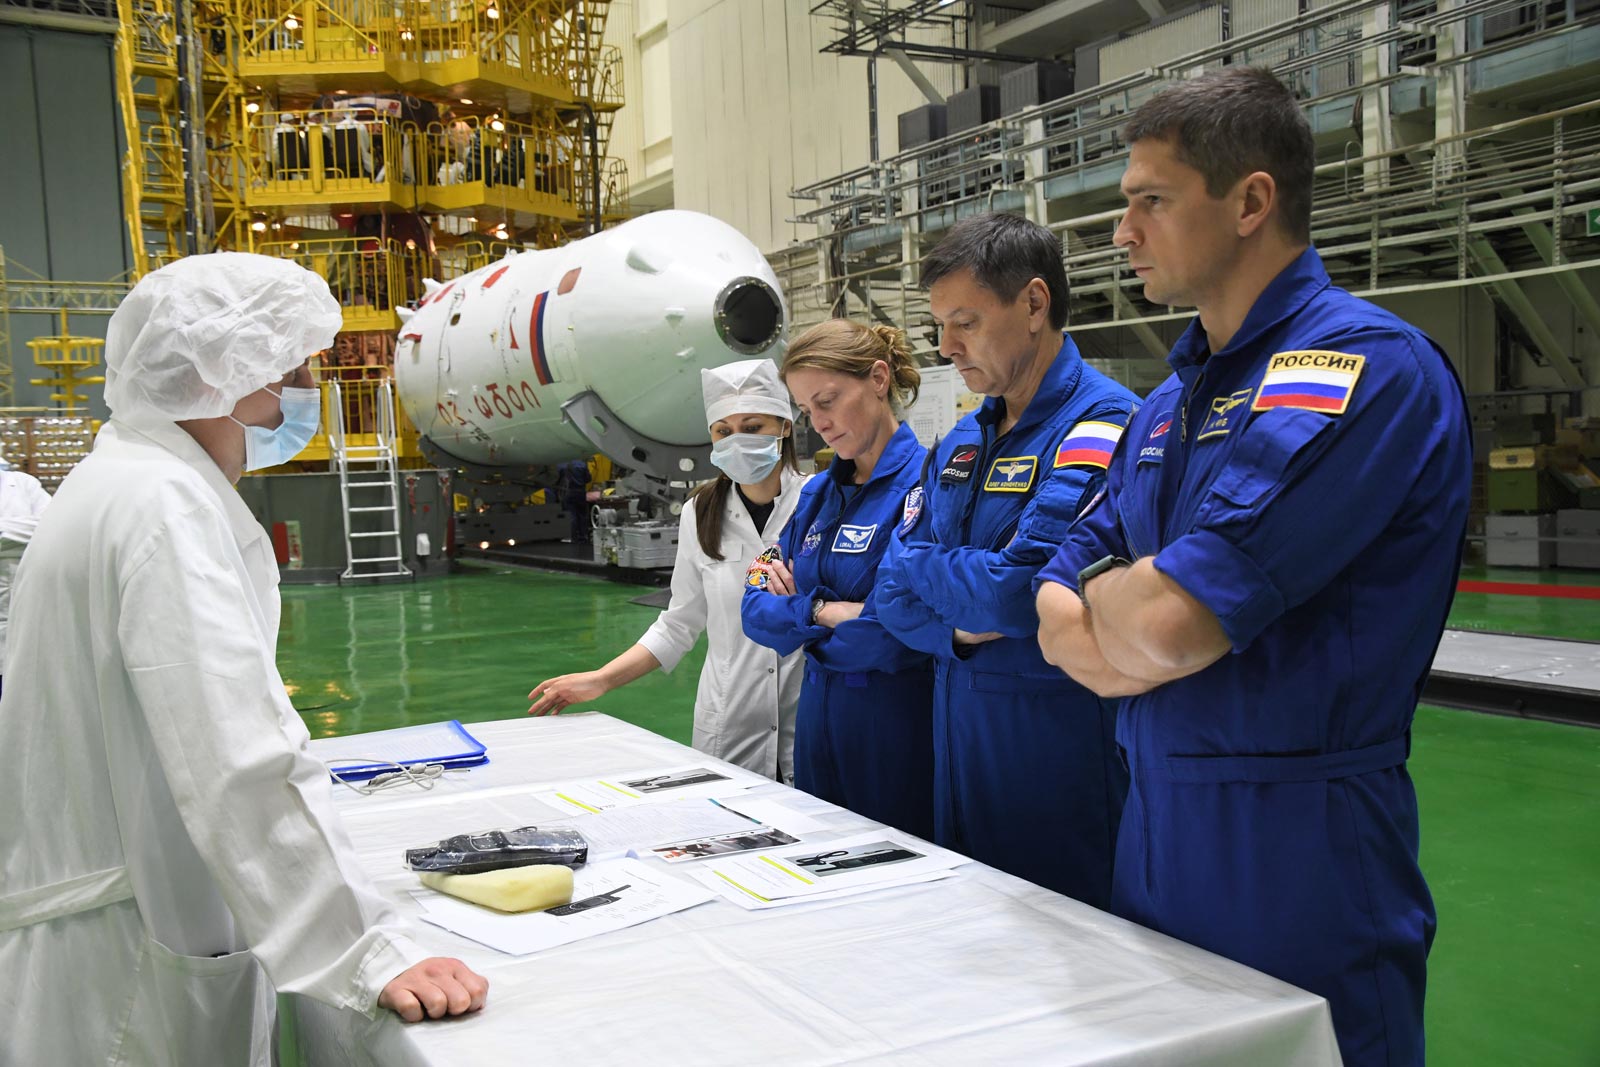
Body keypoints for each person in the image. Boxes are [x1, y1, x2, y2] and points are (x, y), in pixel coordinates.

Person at [1034, 67, 1470, 1067]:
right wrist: (1117, 601)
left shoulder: (1358, 368)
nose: (1121, 232)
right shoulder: (1168, 404)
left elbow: (1170, 625)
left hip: (1299, 847)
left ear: (1250, 201)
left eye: (1150, 200)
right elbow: (1055, 606)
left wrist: (1116, 600)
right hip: (1153, 829)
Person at [0, 254, 488, 1066]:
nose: (304, 394)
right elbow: (234, 749)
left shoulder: (117, 480)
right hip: (122, 966)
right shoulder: (162, 505)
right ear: (215, 375)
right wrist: (366, 948)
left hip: (104, 923)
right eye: (289, 371)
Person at [874, 213, 1137, 903]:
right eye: (939, 325)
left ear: (1034, 304)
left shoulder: (1104, 426)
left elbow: (1017, 595)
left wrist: (928, 571)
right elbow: (890, 590)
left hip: (1057, 762)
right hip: (958, 751)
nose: (946, 347)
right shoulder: (963, 439)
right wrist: (959, 632)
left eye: (965, 322)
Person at [530, 359, 808, 782]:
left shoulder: (819, 501)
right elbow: (679, 623)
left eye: (752, 427)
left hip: (806, 718)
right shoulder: (701, 512)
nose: (737, 440)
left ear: (784, 427)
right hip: (731, 719)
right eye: (724, 431)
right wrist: (601, 680)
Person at [741, 320, 935, 838]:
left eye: (827, 401)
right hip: (817, 726)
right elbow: (753, 601)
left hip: (892, 729)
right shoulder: (816, 496)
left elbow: (892, 633)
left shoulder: (927, 488)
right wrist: (821, 612)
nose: (820, 424)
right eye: (807, 410)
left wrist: (799, 620)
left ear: (878, 379)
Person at [0, 448, 50, 700]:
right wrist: (19, 532)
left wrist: (2, 533)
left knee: (23, 694)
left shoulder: (24, 484)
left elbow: (50, 526)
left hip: (25, 607)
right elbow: (34, 529)